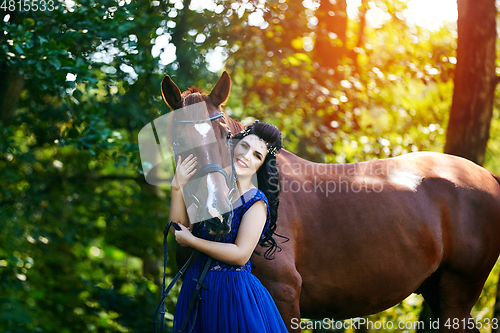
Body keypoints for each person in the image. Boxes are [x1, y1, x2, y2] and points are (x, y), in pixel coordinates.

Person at [169, 121, 288, 333]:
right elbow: (179, 230)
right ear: (233, 145)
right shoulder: (211, 187)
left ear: (261, 165)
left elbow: (241, 254)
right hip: (195, 288)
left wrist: (194, 241)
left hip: (231, 294)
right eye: (244, 146)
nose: (246, 156)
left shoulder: (256, 201)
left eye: (257, 155)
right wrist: (177, 187)